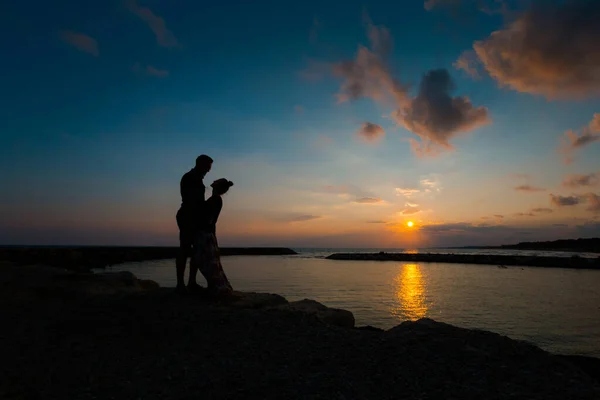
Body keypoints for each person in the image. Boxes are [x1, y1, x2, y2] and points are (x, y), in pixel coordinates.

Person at [175, 154, 213, 293]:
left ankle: (191, 282)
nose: (208, 171)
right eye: (207, 168)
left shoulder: (196, 178)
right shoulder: (189, 178)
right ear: (199, 164)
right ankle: (180, 284)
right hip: (187, 216)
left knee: (197, 250)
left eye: (209, 168)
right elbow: (192, 201)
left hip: (195, 217)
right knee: (184, 249)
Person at [192, 178, 234, 295]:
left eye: (216, 181)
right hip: (208, 232)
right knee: (209, 262)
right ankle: (214, 287)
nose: (213, 180)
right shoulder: (215, 199)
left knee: (207, 262)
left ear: (217, 186)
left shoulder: (215, 199)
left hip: (205, 233)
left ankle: (215, 288)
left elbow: (208, 217)